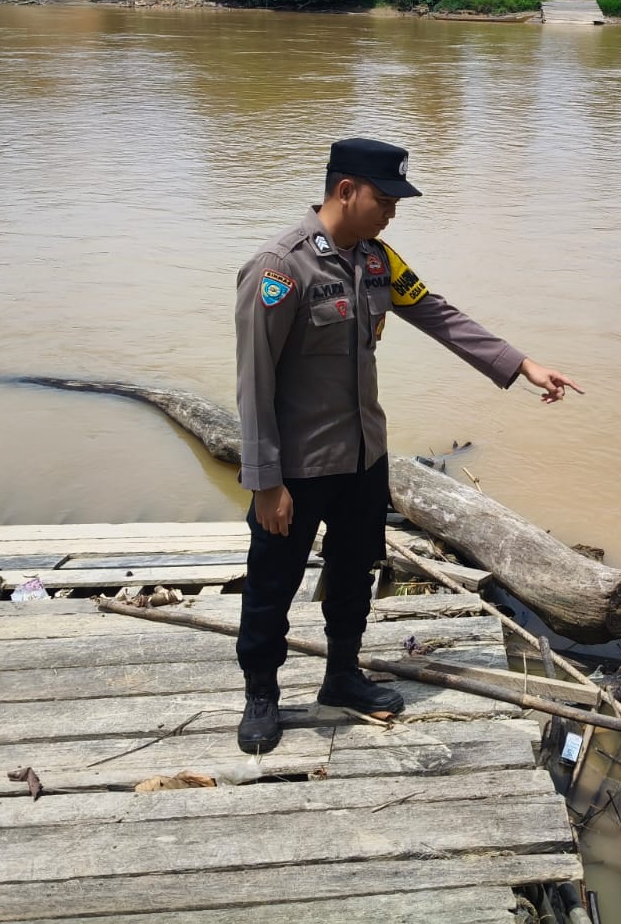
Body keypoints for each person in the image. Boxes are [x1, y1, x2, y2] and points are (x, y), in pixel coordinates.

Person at [232, 137, 581, 753]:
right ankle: (262, 693)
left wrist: (521, 364)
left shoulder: (376, 262)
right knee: (272, 584)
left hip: (364, 458)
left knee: (353, 573)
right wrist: (265, 482)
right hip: (298, 467)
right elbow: (254, 382)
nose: (392, 210)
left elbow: (438, 315)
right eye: (384, 198)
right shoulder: (279, 270)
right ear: (346, 191)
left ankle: (342, 676)